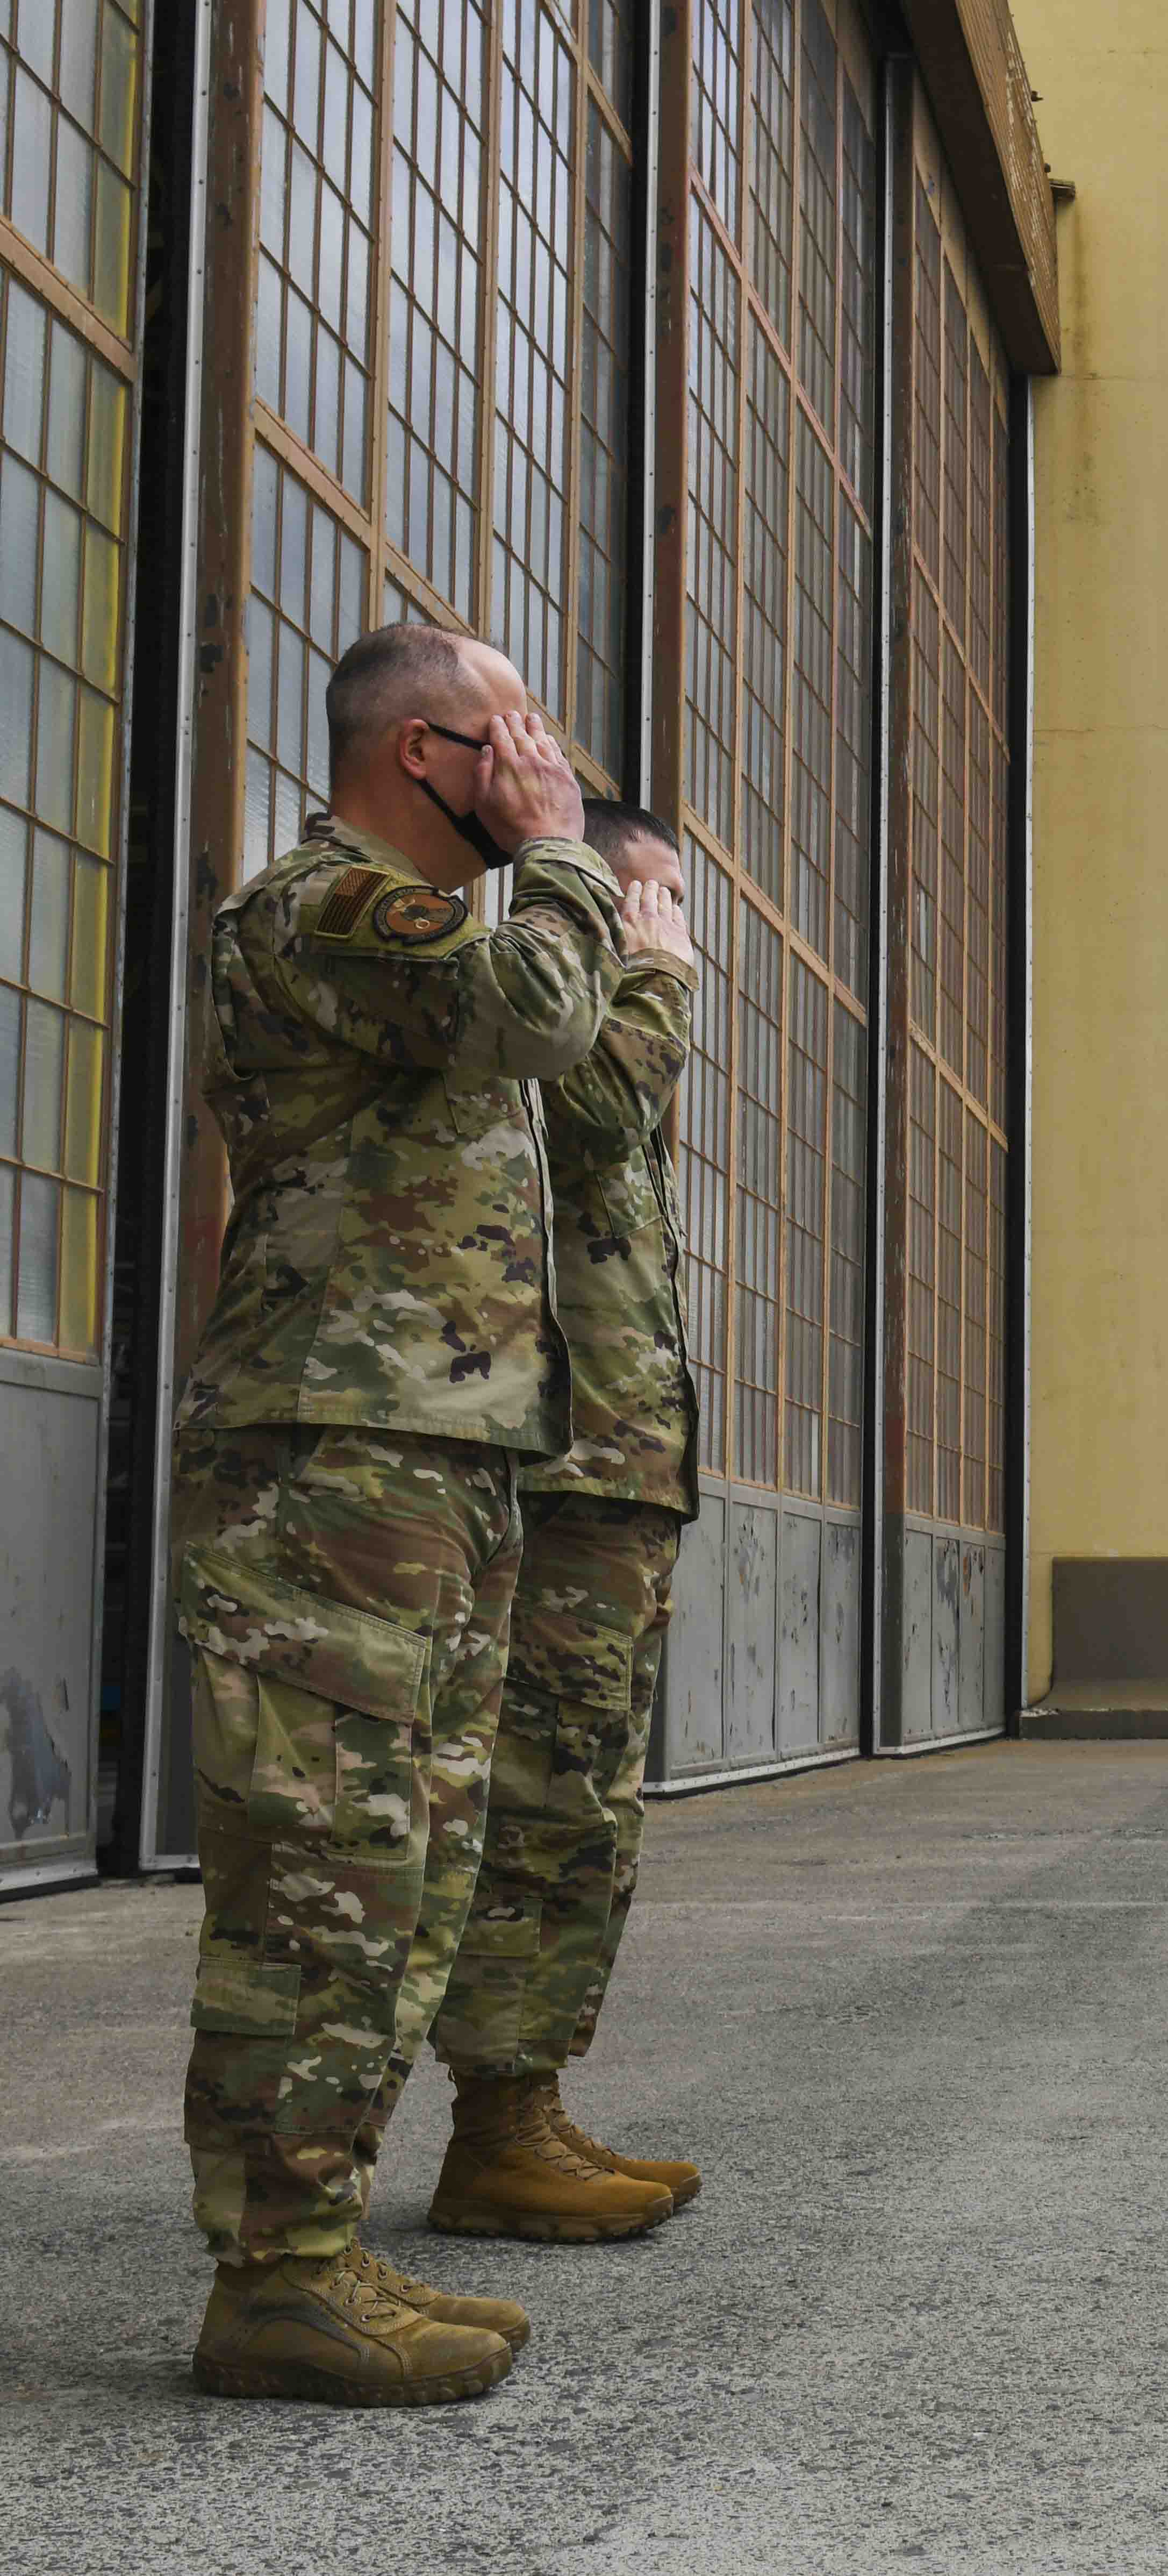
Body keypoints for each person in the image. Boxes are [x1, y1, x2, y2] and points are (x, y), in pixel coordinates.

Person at [173, 623, 647, 2406]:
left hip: (432, 1458)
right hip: (325, 1459)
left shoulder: (459, 925)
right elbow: (535, 1015)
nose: (549, 763)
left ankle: (320, 2253)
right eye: (516, 733)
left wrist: (557, 885)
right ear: (421, 755)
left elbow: (570, 1062)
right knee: (324, 1876)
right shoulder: (323, 907)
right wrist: (577, 863)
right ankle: (276, 2279)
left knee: (411, 1871)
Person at [421, 798, 704, 2238]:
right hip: (561, 1476)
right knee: (539, 1806)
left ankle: (524, 2110)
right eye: (636, 897)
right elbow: (589, 1115)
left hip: (617, 1481)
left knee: (586, 1808)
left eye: (666, 907)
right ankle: (496, 2131)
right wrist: (648, 975)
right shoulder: (556, 1023)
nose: (665, 929)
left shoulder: (608, 1023)